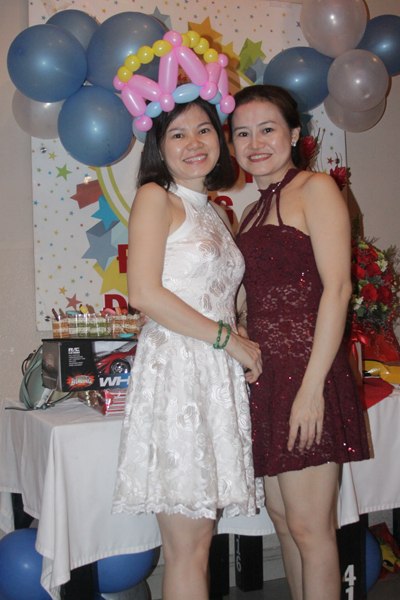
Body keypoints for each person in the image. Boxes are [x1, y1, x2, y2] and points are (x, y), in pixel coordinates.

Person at [112, 96, 263, 600]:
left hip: (215, 375)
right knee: (188, 548)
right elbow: (143, 293)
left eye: (204, 130)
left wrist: (242, 333)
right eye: (177, 133)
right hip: (178, 371)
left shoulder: (218, 213)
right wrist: (228, 340)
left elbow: (222, 297)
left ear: (220, 139)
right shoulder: (156, 197)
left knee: (200, 541)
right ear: (160, 146)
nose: (193, 143)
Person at [228, 84, 370, 600]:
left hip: (309, 376)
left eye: (267, 129)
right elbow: (251, 298)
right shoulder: (250, 209)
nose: (255, 143)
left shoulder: (316, 189)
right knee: (285, 522)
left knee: (312, 529)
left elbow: (339, 289)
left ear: (294, 134)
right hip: (268, 381)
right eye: (243, 133)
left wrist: (311, 390)